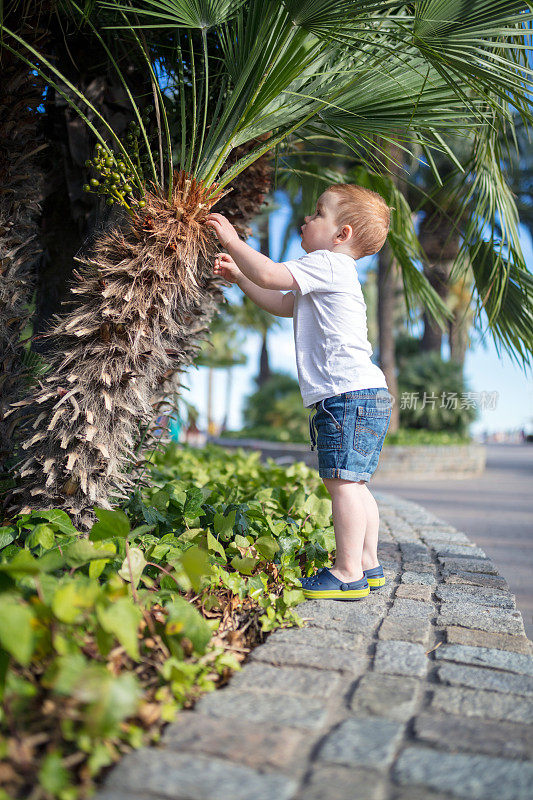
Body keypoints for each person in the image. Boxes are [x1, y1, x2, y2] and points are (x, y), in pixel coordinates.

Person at [205, 184, 393, 601]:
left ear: (341, 235)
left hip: (348, 396)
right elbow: (281, 301)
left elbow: (272, 274)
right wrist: (239, 277)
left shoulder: (327, 263)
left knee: (342, 483)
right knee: (355, 484)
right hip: (363, 394)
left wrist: (233, 242)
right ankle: (368, 563)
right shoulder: (332, 275)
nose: (306, 220)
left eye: (317, 213)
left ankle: (347, 574)